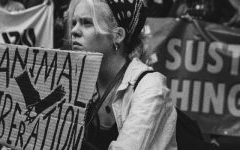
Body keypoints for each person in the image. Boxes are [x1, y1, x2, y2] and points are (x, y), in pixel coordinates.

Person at [67, 0, 177, 149]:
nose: (74, 31)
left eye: (86, 23)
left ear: (117, 35)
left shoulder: (150, 87)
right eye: (74, 23)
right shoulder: (77, 80)